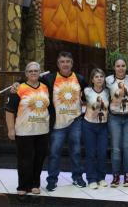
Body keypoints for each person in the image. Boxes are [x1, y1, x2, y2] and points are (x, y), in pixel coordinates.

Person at [43, 52, 87, 191]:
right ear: (58, 64)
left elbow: (87, 96)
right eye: (62, 61)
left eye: (68, 61)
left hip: (76, 121)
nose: (65, 64)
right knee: (54, 152)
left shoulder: (79, 78)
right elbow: (32, 81)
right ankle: (52, 179)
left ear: (72, 63)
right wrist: (17, 83)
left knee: (76, 151)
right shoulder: (49, 79)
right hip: (58, 124)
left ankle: (77, 177)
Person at [5, 62, 50, 195]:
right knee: (25, 160)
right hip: (24, 131)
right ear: (26, 74)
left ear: (39, 72)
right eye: (30, 71)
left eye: (36, 71)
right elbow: (9, 110)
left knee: (39, 158)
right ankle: (23, 186)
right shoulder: (18, 89)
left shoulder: (45, 87)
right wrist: (11, 129)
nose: (33, 73)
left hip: (42, 130)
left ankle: (35, 184)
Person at [106, 58, 128, 187]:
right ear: (114, 67)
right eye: (118, 66)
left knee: (127, 148)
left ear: (126, 67)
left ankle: (127, 175)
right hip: (114, 118)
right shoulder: (108, 80)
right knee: (116, 148)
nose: (120, 68)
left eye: (123, 65)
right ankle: (115, 175)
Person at [82, 68, 110, 189]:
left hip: (103, 126)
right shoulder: (87, 91)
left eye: (101, 76)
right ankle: (91, 178)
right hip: (89, 125)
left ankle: (101, 177)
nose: (99, 79)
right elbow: (80, 102)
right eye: (96, 77)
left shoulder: (108, 92)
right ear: (92, 79)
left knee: (102, 153)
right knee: (90, 153)